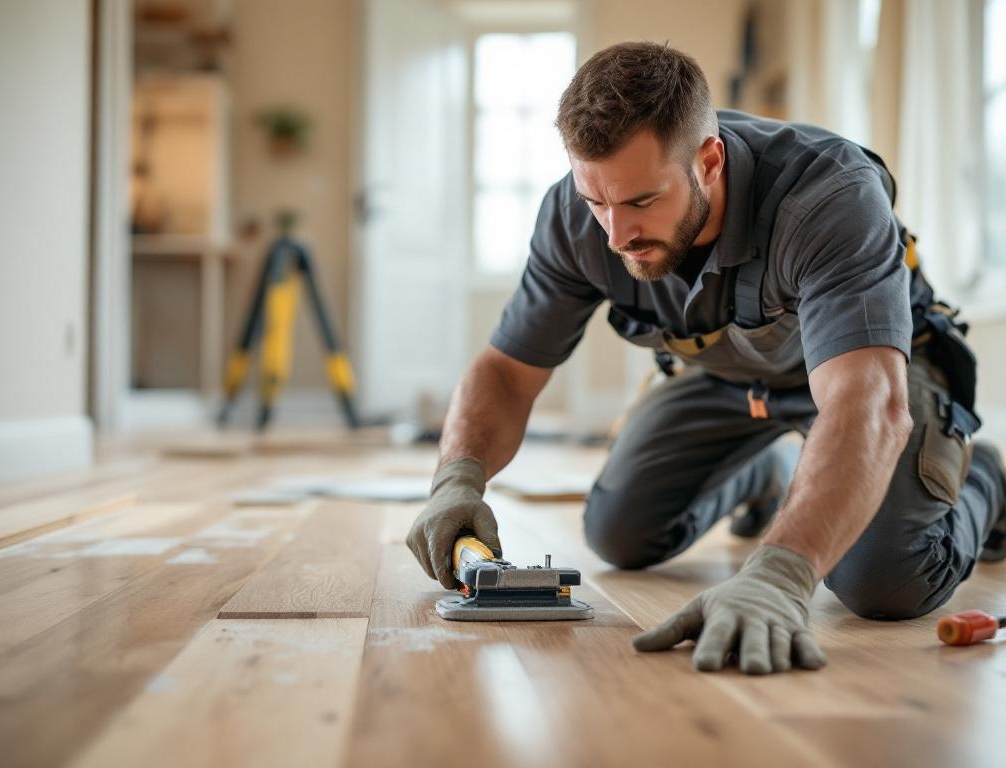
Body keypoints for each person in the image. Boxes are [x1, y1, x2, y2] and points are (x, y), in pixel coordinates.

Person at [405, 41, 1006, 675]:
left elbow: (869, 403)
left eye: (640, 202)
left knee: (885, 581)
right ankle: (777, 471)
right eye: (596, 203)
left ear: (710, 160)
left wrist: (779, 574)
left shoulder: (828, 196)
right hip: (729, 381)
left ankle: (984, 481)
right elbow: (507, 370)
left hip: (872, 376)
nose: (616, 236)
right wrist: (457, 480)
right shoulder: (576, 217)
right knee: (621, 535)